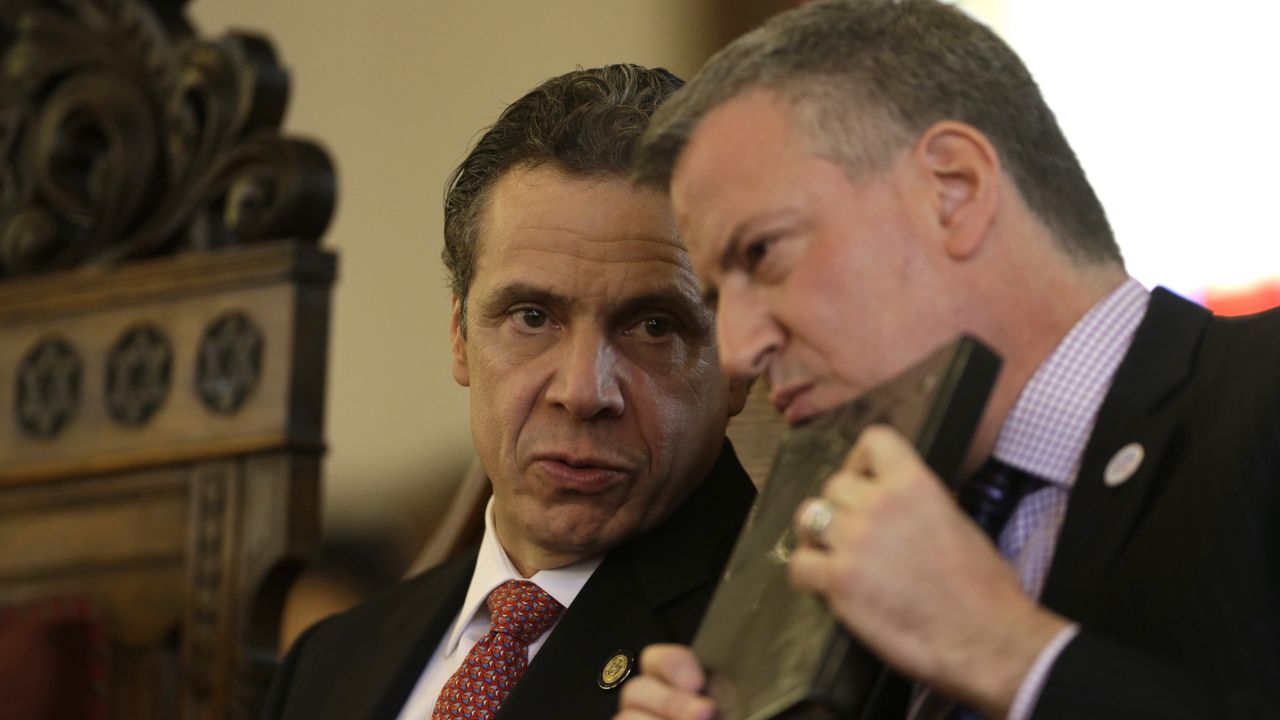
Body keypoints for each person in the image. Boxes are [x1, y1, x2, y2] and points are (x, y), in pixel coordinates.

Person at [616, 1, 1280, 719]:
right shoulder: (822, 564)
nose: (740, 349)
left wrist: (1002, 651)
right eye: (717, 298)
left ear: (953, 190)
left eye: (763, 253)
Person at [262, 64, 755, 720]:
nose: (583, 391)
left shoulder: (782, 643)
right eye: (532, 317)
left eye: (652, 327)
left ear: (742, 354)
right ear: (460, 334)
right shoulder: (328, 663)